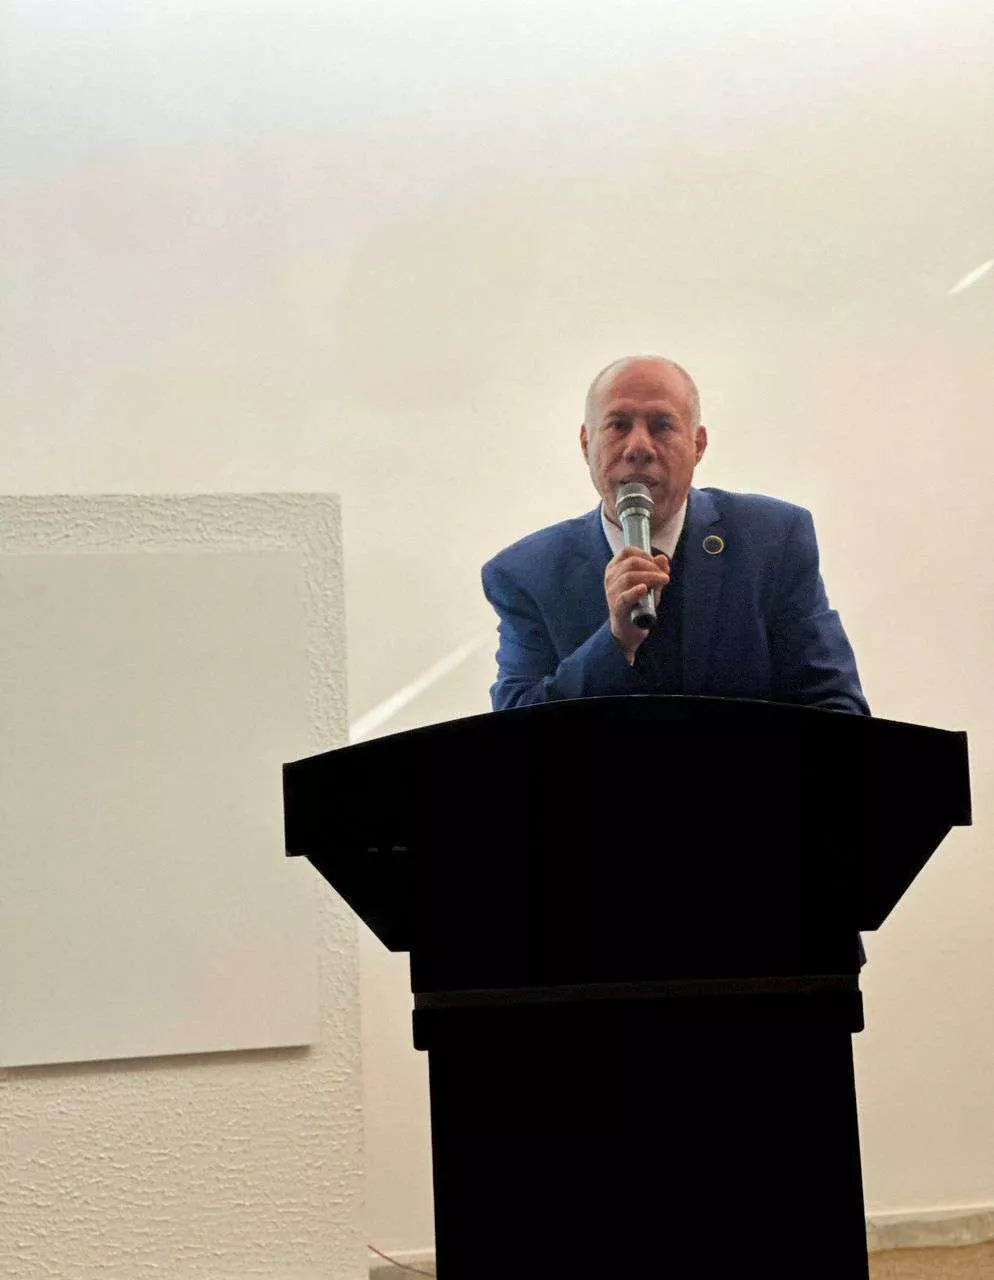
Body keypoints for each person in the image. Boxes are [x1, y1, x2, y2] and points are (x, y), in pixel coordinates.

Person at [482, 354, 869, 716]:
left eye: (662, 426)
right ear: (586, 443)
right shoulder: (526, 574)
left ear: (698, 445)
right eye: (618, 425)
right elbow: (515, 728)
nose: (638, 447)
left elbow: (836, 705)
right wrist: (614, 643)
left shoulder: (772, 541)